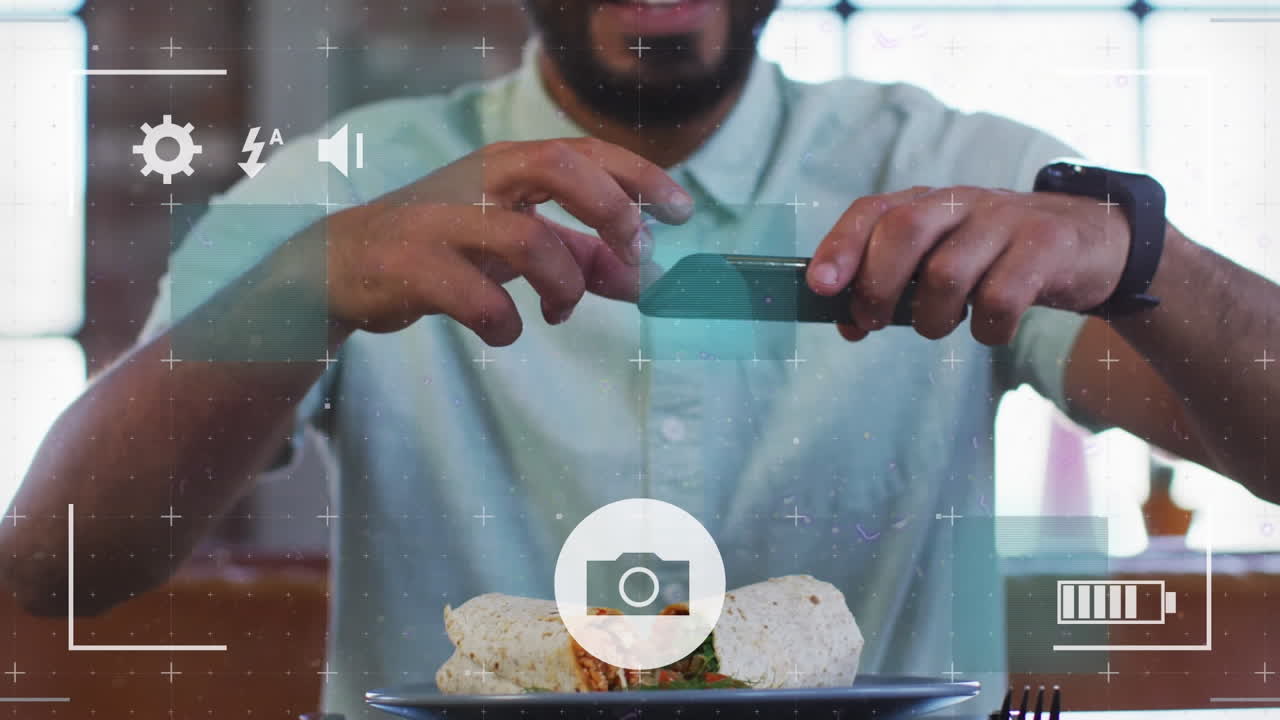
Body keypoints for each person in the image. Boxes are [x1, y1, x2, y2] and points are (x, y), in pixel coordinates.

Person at [3, 1, 1277, 716]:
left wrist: (1143, 253)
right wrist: (296, 292)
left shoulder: (961, 173)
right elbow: (57, 567)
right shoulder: (338, 190)